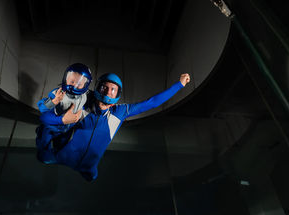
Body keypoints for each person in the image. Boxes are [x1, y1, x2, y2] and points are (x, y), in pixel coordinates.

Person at [36, 72, 191, 182]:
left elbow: (152, 102)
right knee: (43, 151)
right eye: (105, 87)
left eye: (113, 89)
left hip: (89, 166)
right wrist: (58, 112)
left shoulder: (120, 112)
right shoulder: (83, 102)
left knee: (91, 177)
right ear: (97, 88)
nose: (109, 92)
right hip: (64, 156)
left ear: (118, 94)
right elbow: (47, 114)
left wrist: (179, 85)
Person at [35, 63, 92, 151]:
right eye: (72, 81)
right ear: (66, 79)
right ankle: (41, 136)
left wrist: (81, 112)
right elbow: (42, 108)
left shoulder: (84, 96)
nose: (74, 85)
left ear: (85, 85)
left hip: (67, 129)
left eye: (79, 83)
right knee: (43, 145)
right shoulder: (58, 93)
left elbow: (81, 106)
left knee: (61, 147)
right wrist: (54, 101)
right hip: (52, 126)